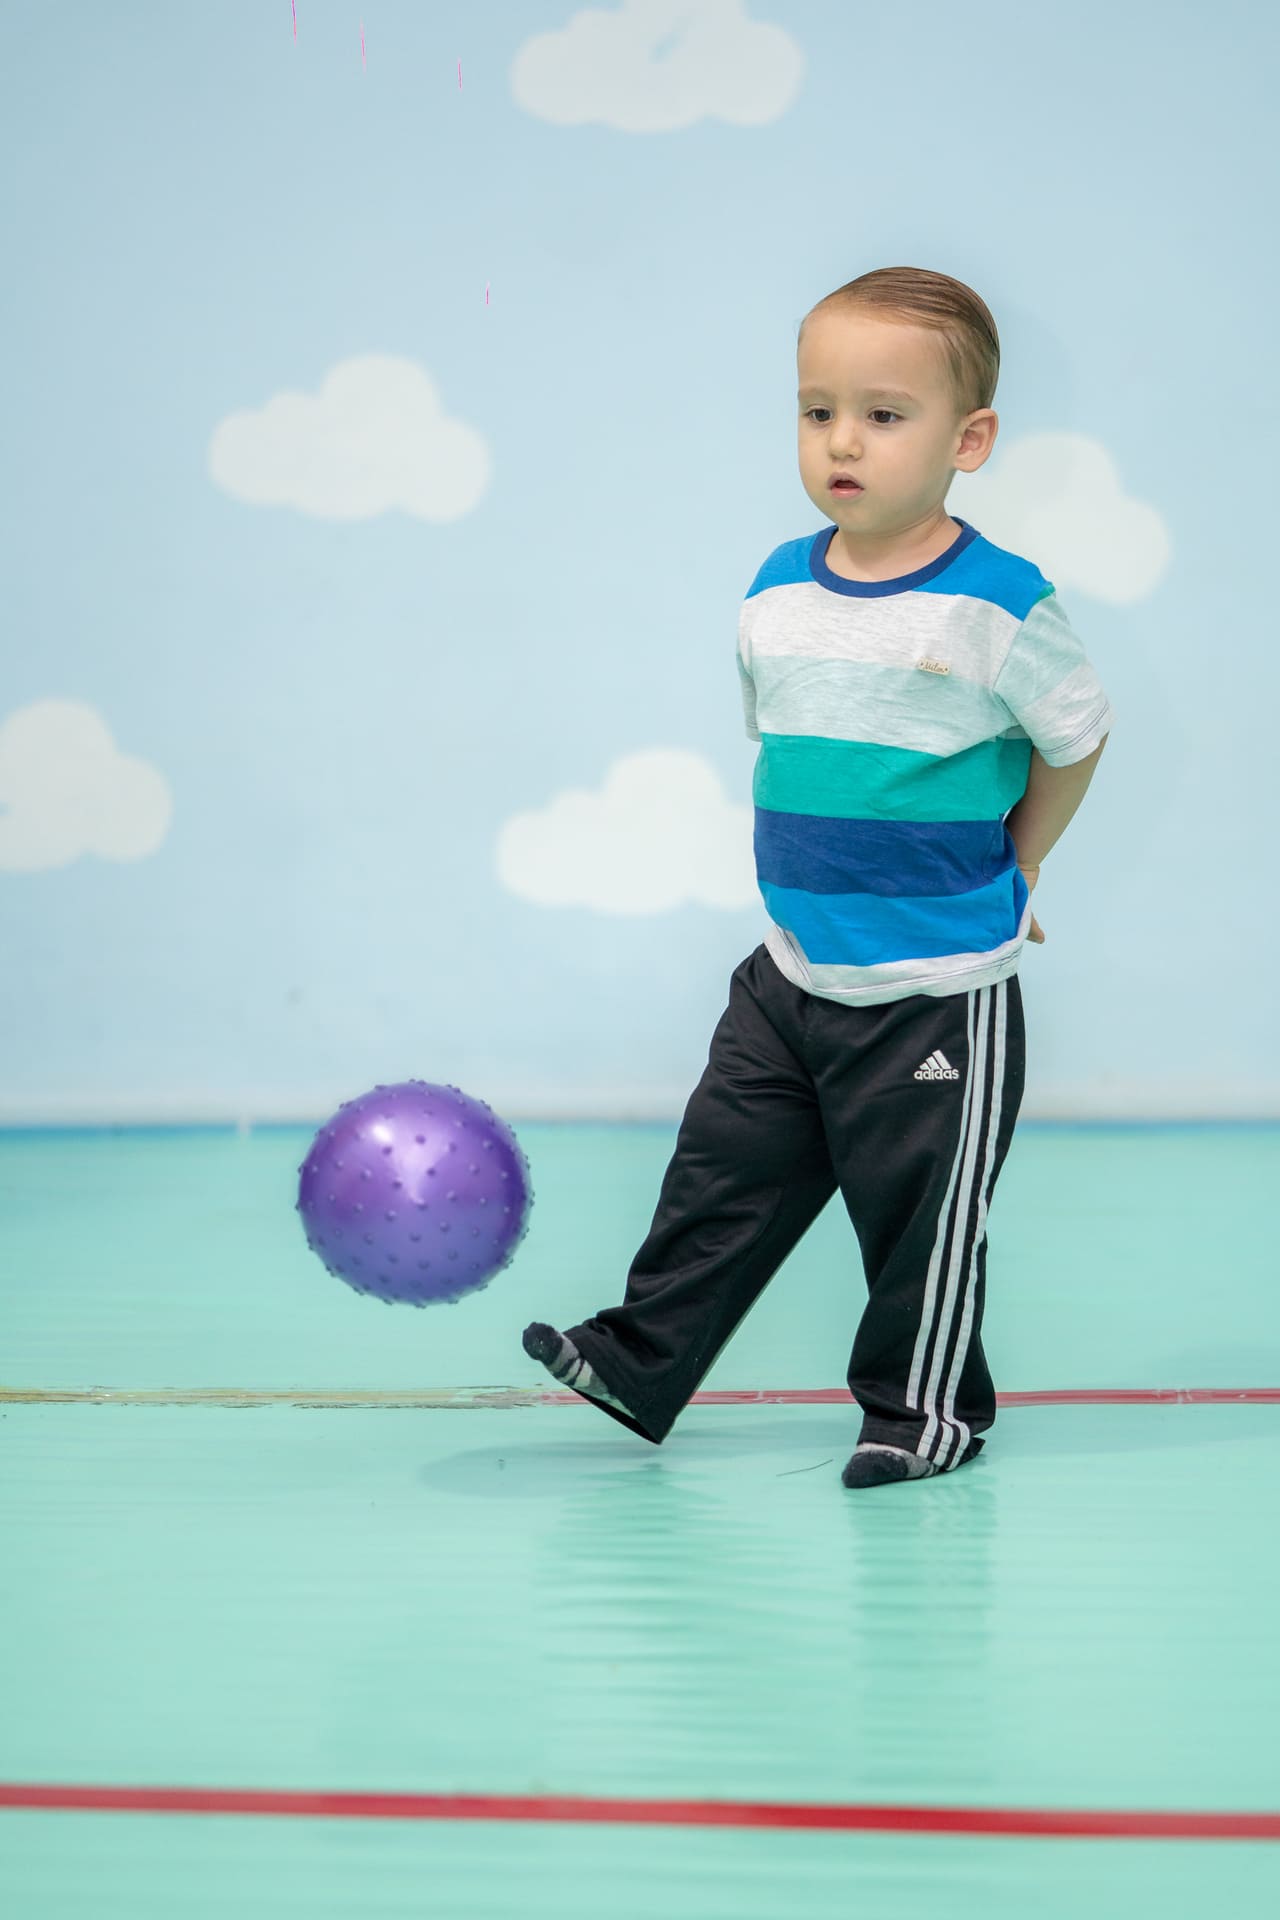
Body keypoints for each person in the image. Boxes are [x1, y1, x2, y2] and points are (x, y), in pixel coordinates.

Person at [524, 266, 1113, 1490]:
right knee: (717, 1172)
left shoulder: (997, 604)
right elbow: (799, 758)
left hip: (930, 989)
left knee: (916, 1221)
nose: (843, 441)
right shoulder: (776, 589)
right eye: (817, 411)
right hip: (791, 973)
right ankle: (641, 1360)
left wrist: (1022, 860)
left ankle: (923, 1412)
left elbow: (1074, 737)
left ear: (967, 441)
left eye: (883, 415)